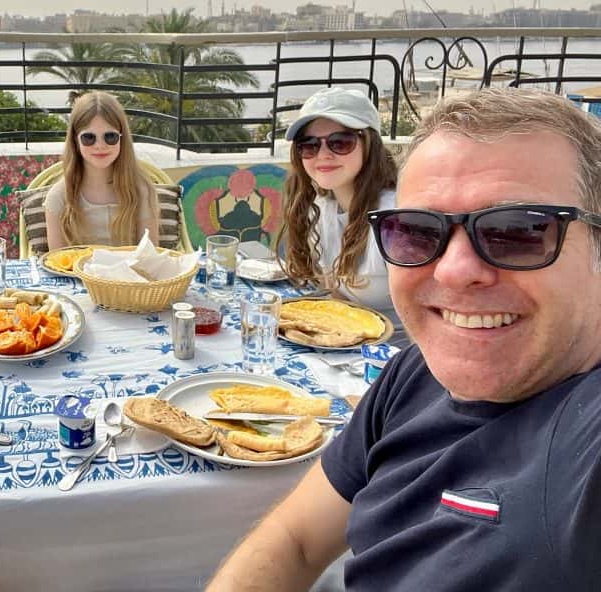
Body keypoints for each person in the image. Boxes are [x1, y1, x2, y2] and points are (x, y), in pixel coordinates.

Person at [208, 88, 601, 591]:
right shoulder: (414, 374)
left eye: (518, 230)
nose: (456, 270)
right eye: (417, 231)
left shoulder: (583, 443)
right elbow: (295, 538)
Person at [277, 86, 399, 327]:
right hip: (350, 346)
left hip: (401, 355)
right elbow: (339, 296)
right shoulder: (321, 210)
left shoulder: (394, 221)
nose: (323, 154)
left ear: (370, 145)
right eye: (309, 145)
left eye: (340, 142)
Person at [45, 91, 159, 249]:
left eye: (110, 137)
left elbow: (150, 257)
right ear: (75, 141)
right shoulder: (58, 197)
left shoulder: (142, 191)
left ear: (122, 138)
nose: (100, 145)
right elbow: (57, 264)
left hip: (130, 274)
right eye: (89, 138)